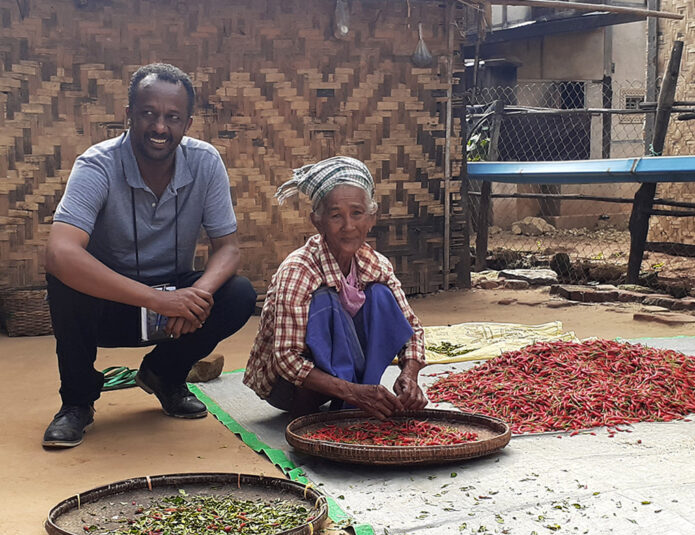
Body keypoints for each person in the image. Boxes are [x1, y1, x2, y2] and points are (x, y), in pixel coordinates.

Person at [42, 63, 256, 448]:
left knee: (237, 293)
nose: (160, 127)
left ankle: (163, 374)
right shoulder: (97, 164)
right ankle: (76, 402)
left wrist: (196, 295)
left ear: (187, 123)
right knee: (65, 279)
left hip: (173, 317)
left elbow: (229, 249)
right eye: (148, 114)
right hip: (110, 307)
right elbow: (59, 252)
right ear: (129, 116)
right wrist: (158, 299)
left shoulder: (205, 162)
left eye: (172, 117)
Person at [244, 156, 428, 419]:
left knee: (380, 296)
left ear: (371, 219)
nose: (348, 226)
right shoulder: (299, 270)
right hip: (291, 388)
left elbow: (413, 330)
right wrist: (353, 392)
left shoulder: (377, 265)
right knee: (325, 301)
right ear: (317, 222)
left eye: (357, 213)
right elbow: (286, 359)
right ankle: (334, 404)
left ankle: (356, 394)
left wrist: (409, 375)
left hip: (348, 377)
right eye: (335, 216)